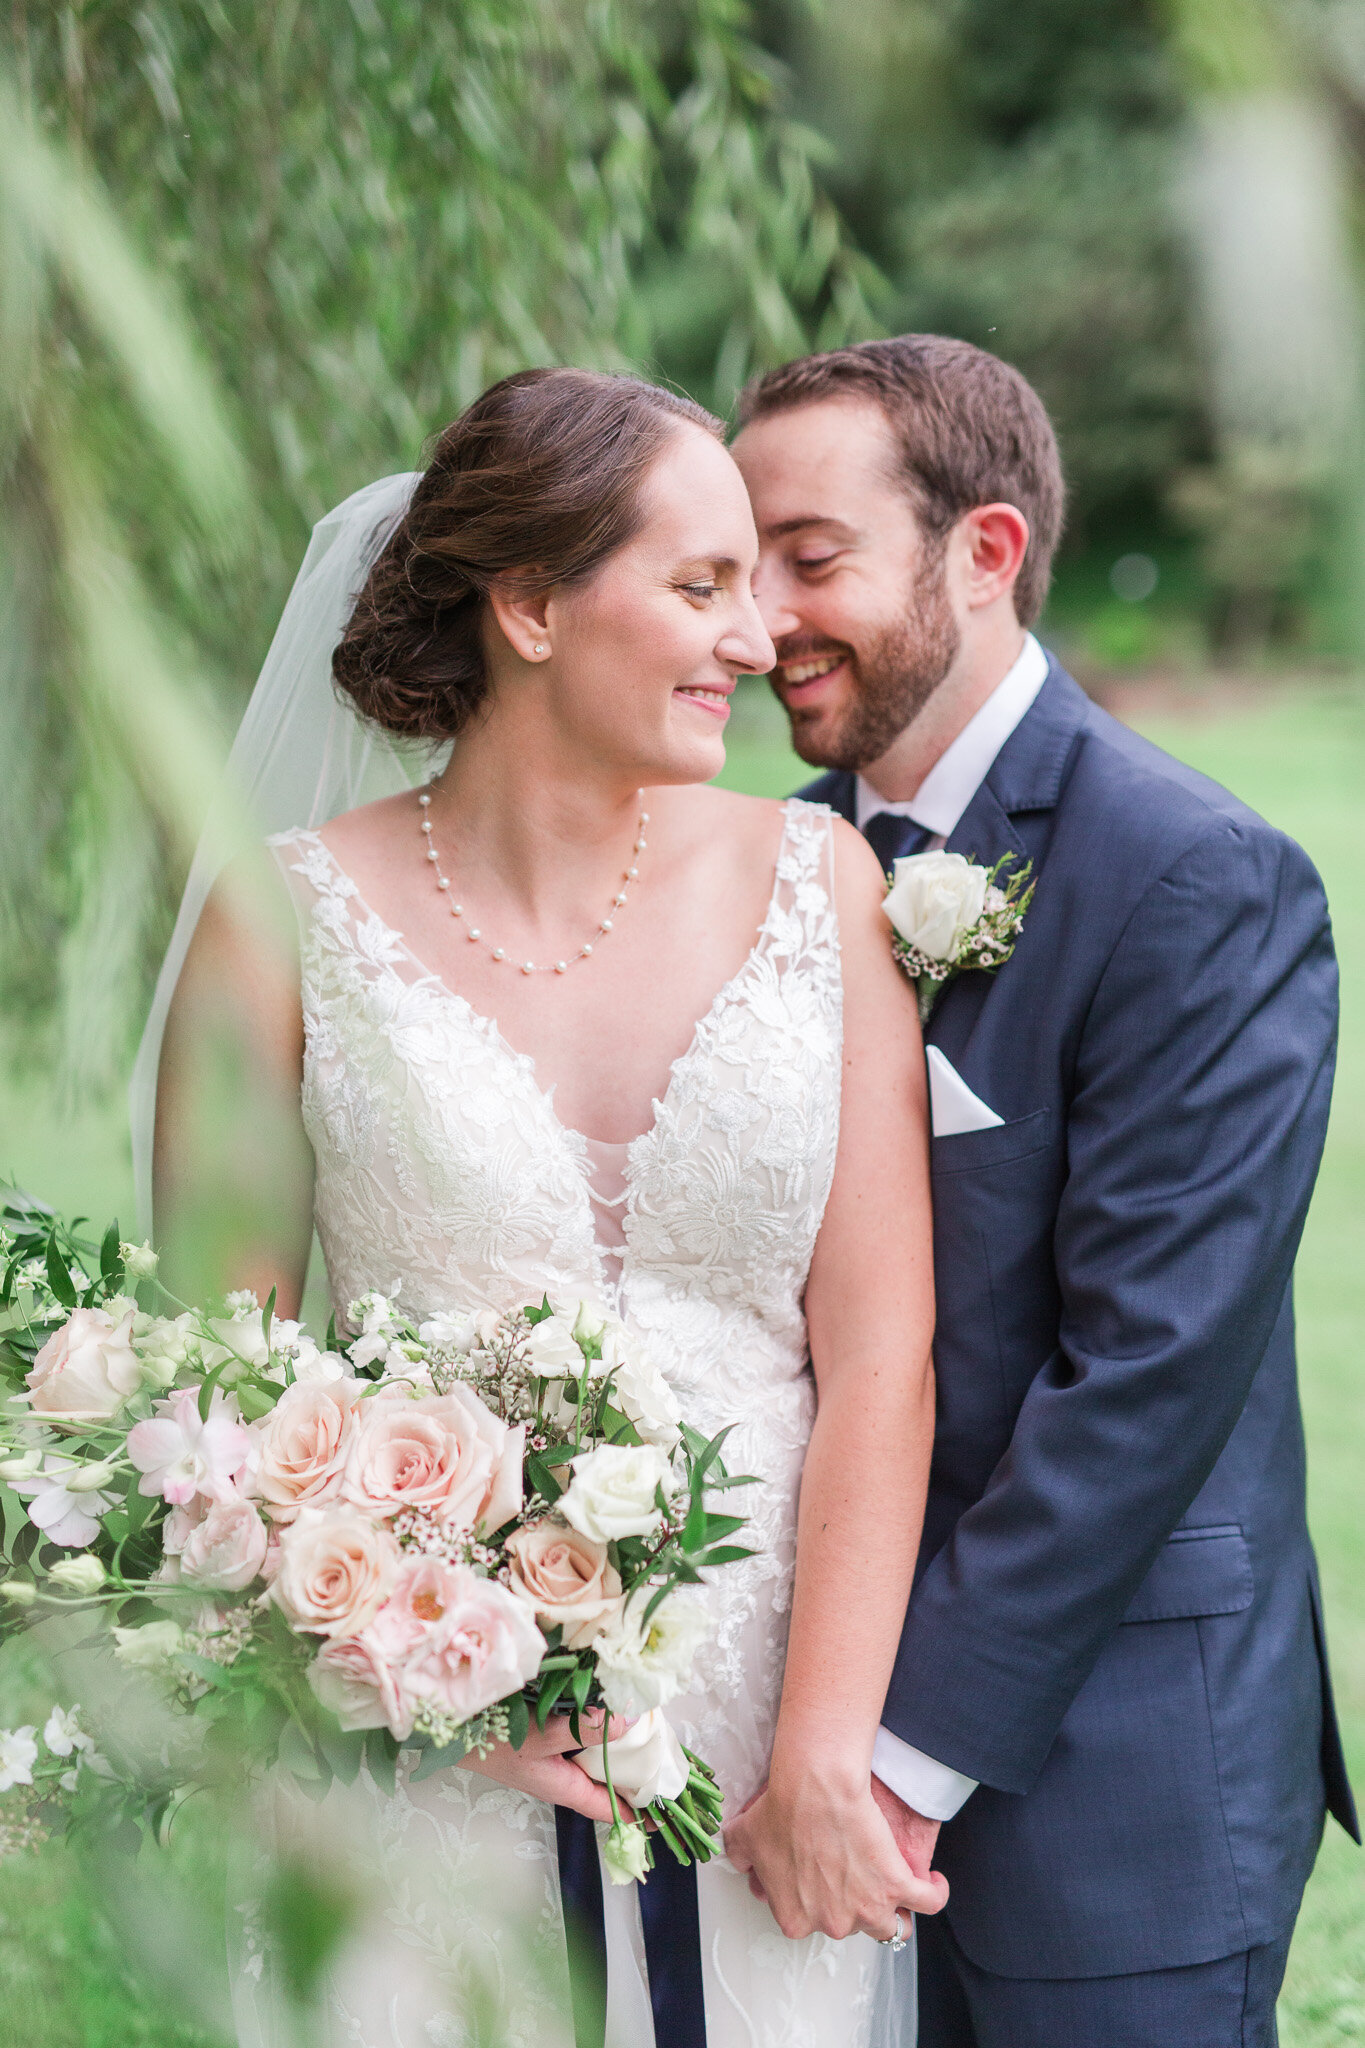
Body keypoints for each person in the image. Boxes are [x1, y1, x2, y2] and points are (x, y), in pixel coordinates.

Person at [150, 367, 944, 2048]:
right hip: (405, 1739)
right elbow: (215, 1385)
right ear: (525, 604)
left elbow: (882, 1356)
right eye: (700, 584)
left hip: (755, 1751)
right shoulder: (280, 922)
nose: (757, 640)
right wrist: (413, 1691)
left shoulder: (826, 888)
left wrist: (823, 1749)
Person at [728, 334, 1360, 2048]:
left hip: (1109, 1772)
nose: (756, 618)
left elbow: (1144, 1375)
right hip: (777, 1760)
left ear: (982, 553)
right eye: (733, 560)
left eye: (812, 556)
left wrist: (896, 1761)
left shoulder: (1195, 878)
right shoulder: (772, 870)